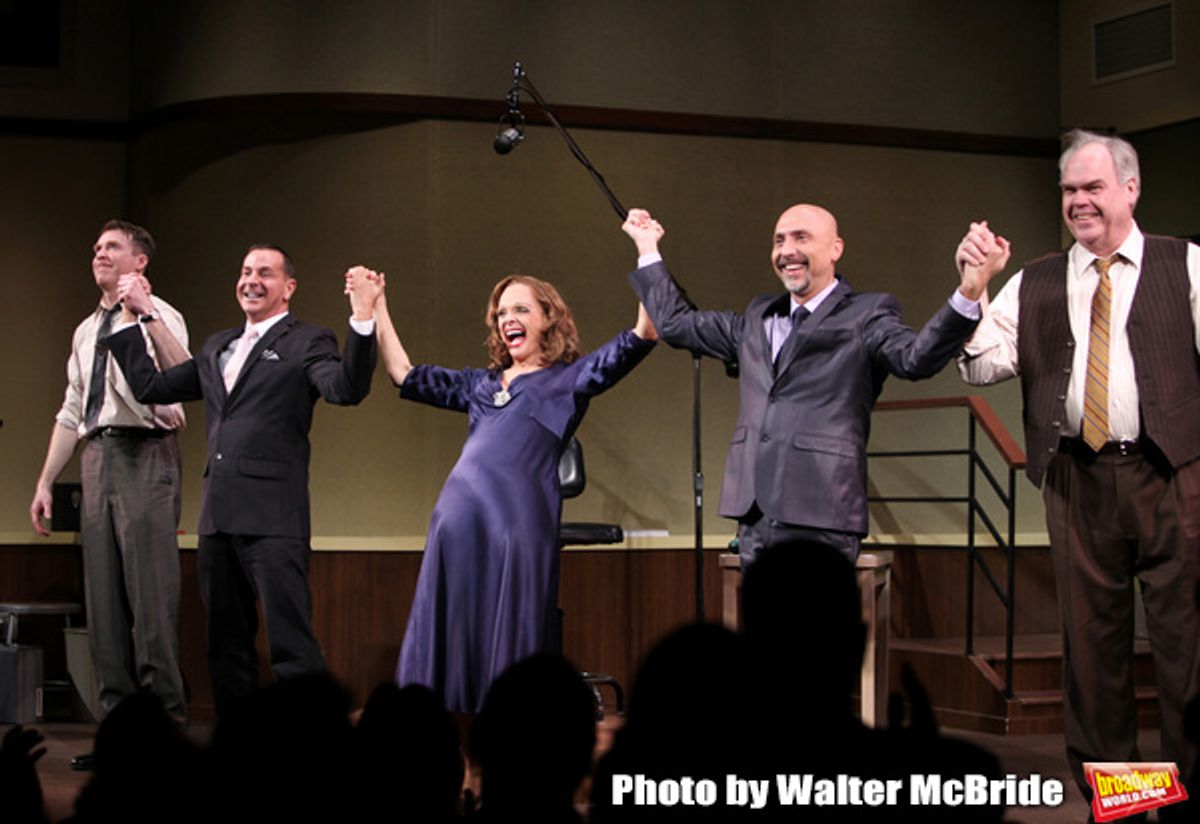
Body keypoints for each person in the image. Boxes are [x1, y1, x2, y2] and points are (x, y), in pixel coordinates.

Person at [957, 128, 1200, 811]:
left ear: (1131, 188)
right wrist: (973, 289)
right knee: (1094, 661)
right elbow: (978, 363)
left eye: (1093, 187)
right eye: (1069, 190)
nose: (1079, 201)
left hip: (1172, 473)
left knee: (1188, 649)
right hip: (1076, 476)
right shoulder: (1035, 279)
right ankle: (1123, 803)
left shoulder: (1184, 265)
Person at [348, 267, 656, 713]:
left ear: (548, 318)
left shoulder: (569, 379)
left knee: (512, 636)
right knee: (453, 632)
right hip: (455, 524)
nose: (507, 317)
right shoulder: (482, 384)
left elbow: (645, 333)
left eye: (521, 309)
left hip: (517, 525)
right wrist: (378, 305)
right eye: (501, 312)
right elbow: (403, 373)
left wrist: (646, 253)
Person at [622, 206, 996, 567]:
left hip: (823, 510)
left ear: (836, 249)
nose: (787, 251)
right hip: (755, 513)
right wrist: (647, 247)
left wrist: (969, 290)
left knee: (816, 631)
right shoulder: (756, 316)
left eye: (801, 238)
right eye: (779, 240)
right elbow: (675, 325)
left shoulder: (868, 313)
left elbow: (916, 359)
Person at [105, 245, 378, 716]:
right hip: (217, 519)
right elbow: (153, 388)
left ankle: (316, 749)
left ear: (288, 287)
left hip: (274, 518)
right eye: (246, 271)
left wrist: (362, 318)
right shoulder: (218, 346)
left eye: (265, 273)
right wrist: (131, 321)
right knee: (226, 648)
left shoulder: (307, 341)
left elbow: (346, 390)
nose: (252, 280)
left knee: (291, 642)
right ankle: (241, 755)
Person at [29, 220, 190, 757]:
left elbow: (184, 376)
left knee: (151, 601)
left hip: (146, 453)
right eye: (96, 246)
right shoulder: (84, 331)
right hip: (97, 458)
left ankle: (163, 728)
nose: (99, 253)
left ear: (139, 261)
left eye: (112, 247)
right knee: (103, 605)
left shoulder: (160, 315)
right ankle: (117, 734)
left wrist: (140, 312)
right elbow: (73, 410)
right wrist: (47, 480)